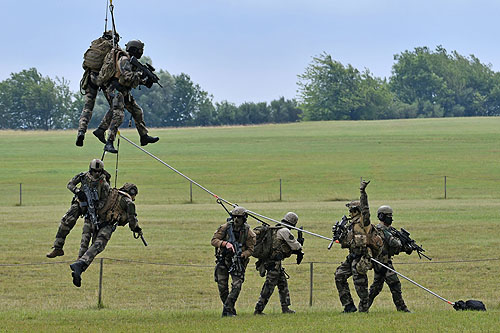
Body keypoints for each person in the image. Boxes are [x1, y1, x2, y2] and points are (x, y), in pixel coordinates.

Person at [69, 183, 143, 287]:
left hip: (94, 220)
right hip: (107, 225)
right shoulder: (128, 201)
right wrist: (136, 229)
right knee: (98, 246)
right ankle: (79, 265)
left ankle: (79, 268)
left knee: (89, 247)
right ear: (133, 193)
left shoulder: (112, 193)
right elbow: (132, 220)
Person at [97, 39, 159, 154]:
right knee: (118, 115)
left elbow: (132, 80)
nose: (141, 52)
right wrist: (142, 76)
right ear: (135, 50)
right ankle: (109, 142)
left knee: (137, 111)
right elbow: (127, 77)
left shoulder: (132, 62)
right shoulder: (124, 60)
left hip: (123, 91)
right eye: (140, 50)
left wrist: (145, 81)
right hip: (115, 90)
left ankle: (144, 136)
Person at [334, 180, 383, 313]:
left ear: (356, 211)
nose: (350, 212)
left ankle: (364, 308)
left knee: (360, 285)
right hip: (352, 256)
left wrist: (363, 192)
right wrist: (340, 237)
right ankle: (348, 306)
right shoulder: (350, 225)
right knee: (339, 276)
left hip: (362, 257)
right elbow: (346, 243)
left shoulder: (364, 222)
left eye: (351, 210)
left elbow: (366, 209)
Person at [46, 159, 110, 258]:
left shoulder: (104, 183)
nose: (96, 173)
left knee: (86, 235)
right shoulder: (83, 177)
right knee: (66, 221)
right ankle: (58, 247)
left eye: (99, 171)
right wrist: (78, 192)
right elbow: (70, 184)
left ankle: (81, 260)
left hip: (93, 209)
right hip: (80, 203)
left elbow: (105, 199)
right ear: (90, 170)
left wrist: (97, 207)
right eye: (94, 171)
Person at [254, 212, 303, 315]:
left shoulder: (276, 228)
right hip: (273, 264)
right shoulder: (284, 231)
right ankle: (258, 309)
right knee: (269, 286)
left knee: (282, 284)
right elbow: (296, 247)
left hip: (274, 263)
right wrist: (299, 242)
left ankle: (285, 308)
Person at [76, 31, 118, 147]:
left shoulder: (95, 44)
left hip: (90, 78)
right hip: (102, 79)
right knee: (115, 106)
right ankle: (102, 128)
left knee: (88, 108)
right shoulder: (112, 48)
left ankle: (81, 131)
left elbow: (85, 64)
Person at [211, 206, 256, 317]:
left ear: (244, 218)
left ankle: (227, 310)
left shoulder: (248, 232)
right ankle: (230, 310)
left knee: (237, 286)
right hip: (223, 260)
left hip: (238, 262)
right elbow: (214, 240)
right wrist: (225, 244)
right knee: (222, 288)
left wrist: (242, 254)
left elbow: (251, 249)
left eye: (239, 217)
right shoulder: (225, 228)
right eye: (235, 217)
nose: (236, 219)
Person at [368, 205, 412, 312]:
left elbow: (394, 248)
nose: (391, 218)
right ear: (382, 216)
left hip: (385, 261)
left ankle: (363, 307)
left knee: (376, 288)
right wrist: (402, 245)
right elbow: (394, 243)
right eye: (389, 216)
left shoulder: (390, 230)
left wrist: (406, 247)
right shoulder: (379, 230)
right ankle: (401, 308)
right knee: (395, 284)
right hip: (381, 262)